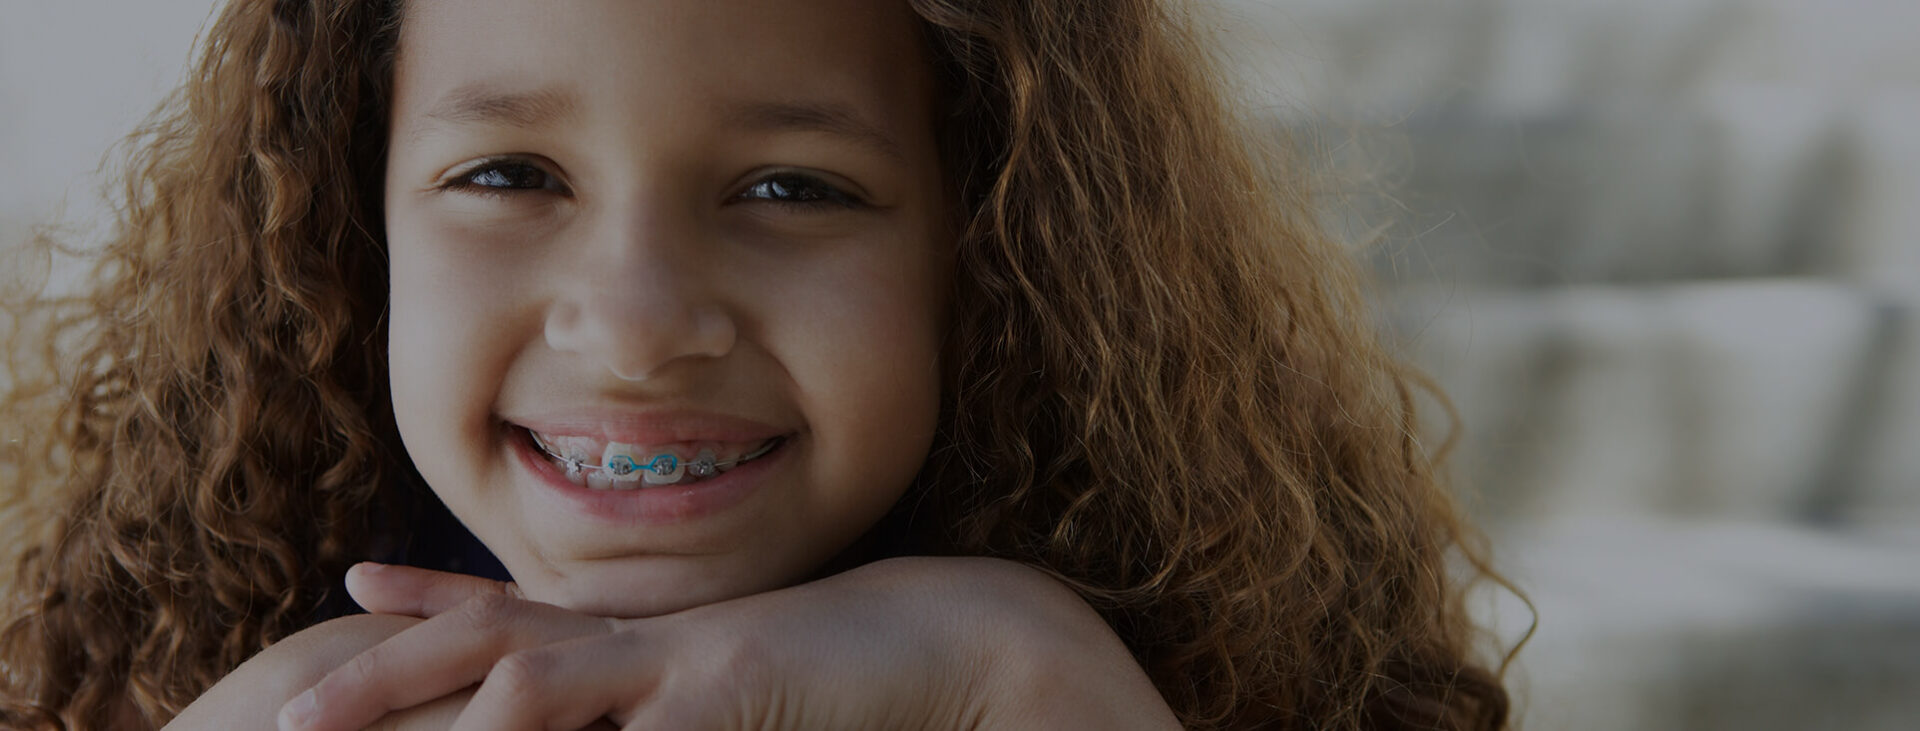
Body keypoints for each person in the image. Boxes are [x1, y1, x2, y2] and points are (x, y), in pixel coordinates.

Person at [0, 0, 1522, 728]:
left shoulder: (1157, 676)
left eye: (791, 188)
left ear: (991, 254)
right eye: (513, 172)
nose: (642, 318)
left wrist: (1028, 674)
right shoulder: (196, 676)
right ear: (346, 231)